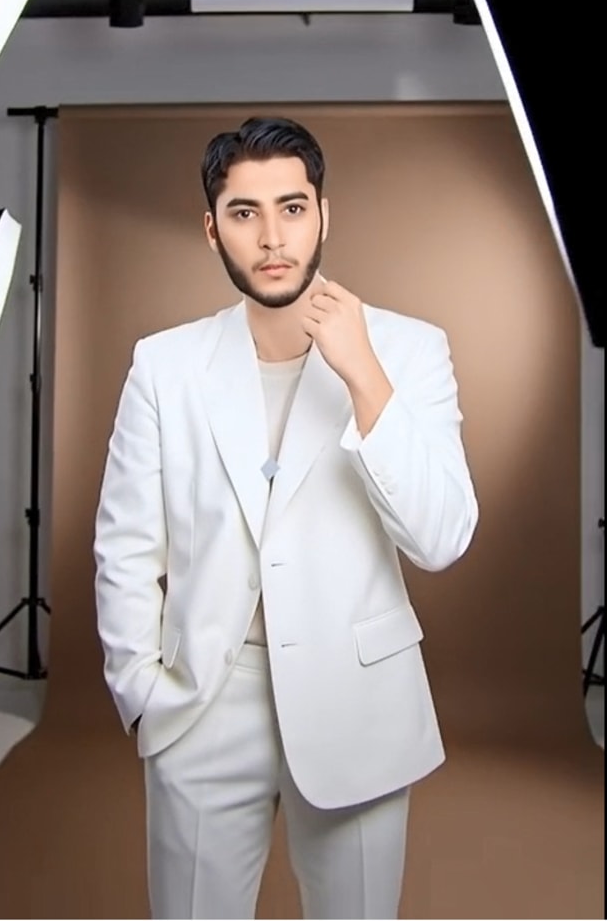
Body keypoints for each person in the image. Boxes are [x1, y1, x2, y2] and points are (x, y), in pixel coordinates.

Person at [94, 116, 479, 920]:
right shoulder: (164, 365)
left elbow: (441, 538)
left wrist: (363, 373)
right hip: (203, 703)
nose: (272, 237)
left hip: (358, 705)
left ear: (323, 215)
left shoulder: (410, 351)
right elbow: (125, 546)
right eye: (245, 213)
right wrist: (142, 691)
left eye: (293, 208)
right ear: (212, 229)